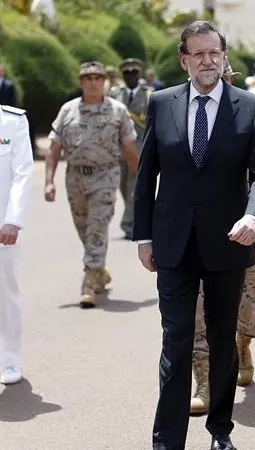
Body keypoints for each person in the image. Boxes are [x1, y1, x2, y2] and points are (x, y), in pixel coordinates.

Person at [133, 21, 255, 450]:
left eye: (214, 53)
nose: (207, 61)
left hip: (229, 244)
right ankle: (166, 441)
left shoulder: (251, 107)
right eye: (198, 54)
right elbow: (146, 176)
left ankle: (220, 431)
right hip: (173, 244)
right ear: (184, 60)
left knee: (220, 342)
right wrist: (143, 236)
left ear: (224, 56)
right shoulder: (161, 104)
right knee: (175, 342)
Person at [189, 58, 255, 415]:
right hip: (196, 231)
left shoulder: (248, 113)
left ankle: (243, 344)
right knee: (197, 310)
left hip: (241, 228)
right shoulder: (188, 112)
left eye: (224, 75)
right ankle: (205, 383)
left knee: (247, 303)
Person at [45, 62, 139, 308]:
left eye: (98, 78)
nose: (93, 82)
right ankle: (100, 271)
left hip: (105, 177)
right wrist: (49, 182)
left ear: (105, 81)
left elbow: (130, 149)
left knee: (97, 227)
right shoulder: (68, 110)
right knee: (84, 229)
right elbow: (54, 148)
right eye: (88, 78)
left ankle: (88, 282)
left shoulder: (117, 111)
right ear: (81, 82)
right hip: (75, 177)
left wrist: (141, 182)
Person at [0, 104, 34, 385]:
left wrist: (13, 219)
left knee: (5, 295)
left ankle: (10, 359)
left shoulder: (12, 121)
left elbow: (22, 172)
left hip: (2, 226)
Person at [109, 58, 153, 240]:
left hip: (139, 148)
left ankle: (129, 225)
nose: (131, 77)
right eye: (127, 74)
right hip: (119, 150)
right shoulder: (114, 94)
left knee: (134, 187)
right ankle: (133, 219)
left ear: (139, 74)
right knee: (123, 187)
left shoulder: (149, 94)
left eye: (134, 73)